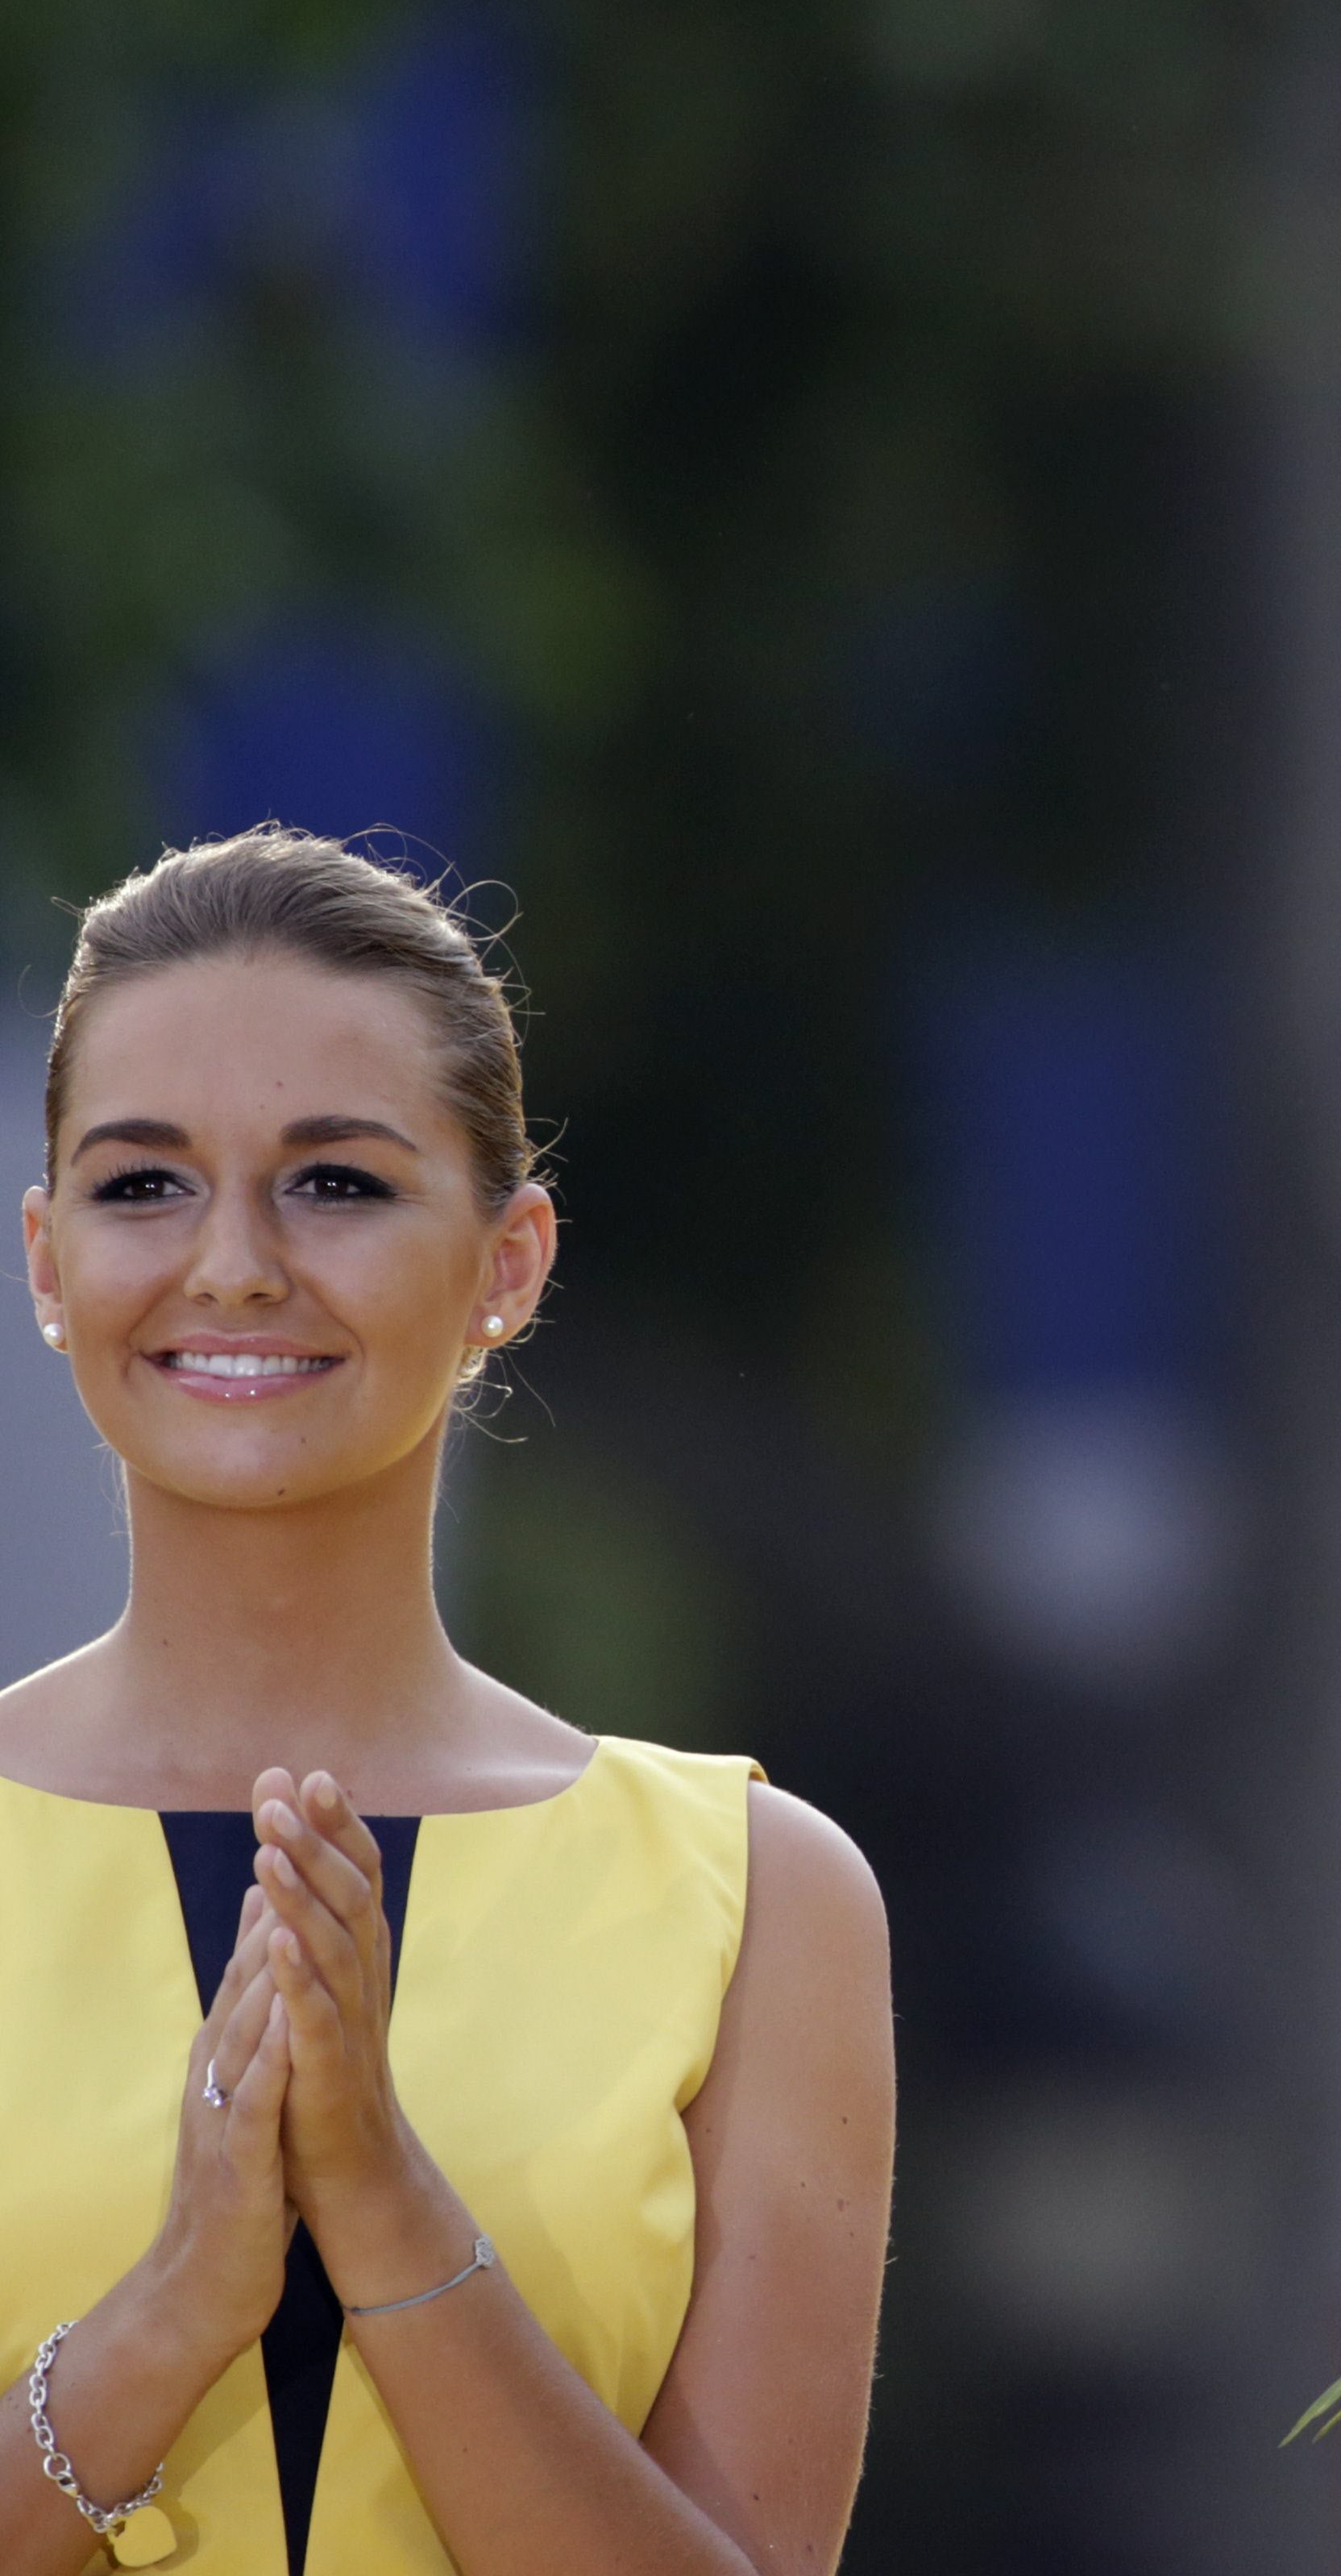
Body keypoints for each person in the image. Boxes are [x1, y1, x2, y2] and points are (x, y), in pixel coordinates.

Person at [0, 832, 894, 2576]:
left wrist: (390, 2208)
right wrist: (179, 2303)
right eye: (141, 1186)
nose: (237, 1265)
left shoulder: (758, 1899)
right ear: (48, 1261)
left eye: (335, 1182)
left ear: (509, 1261)